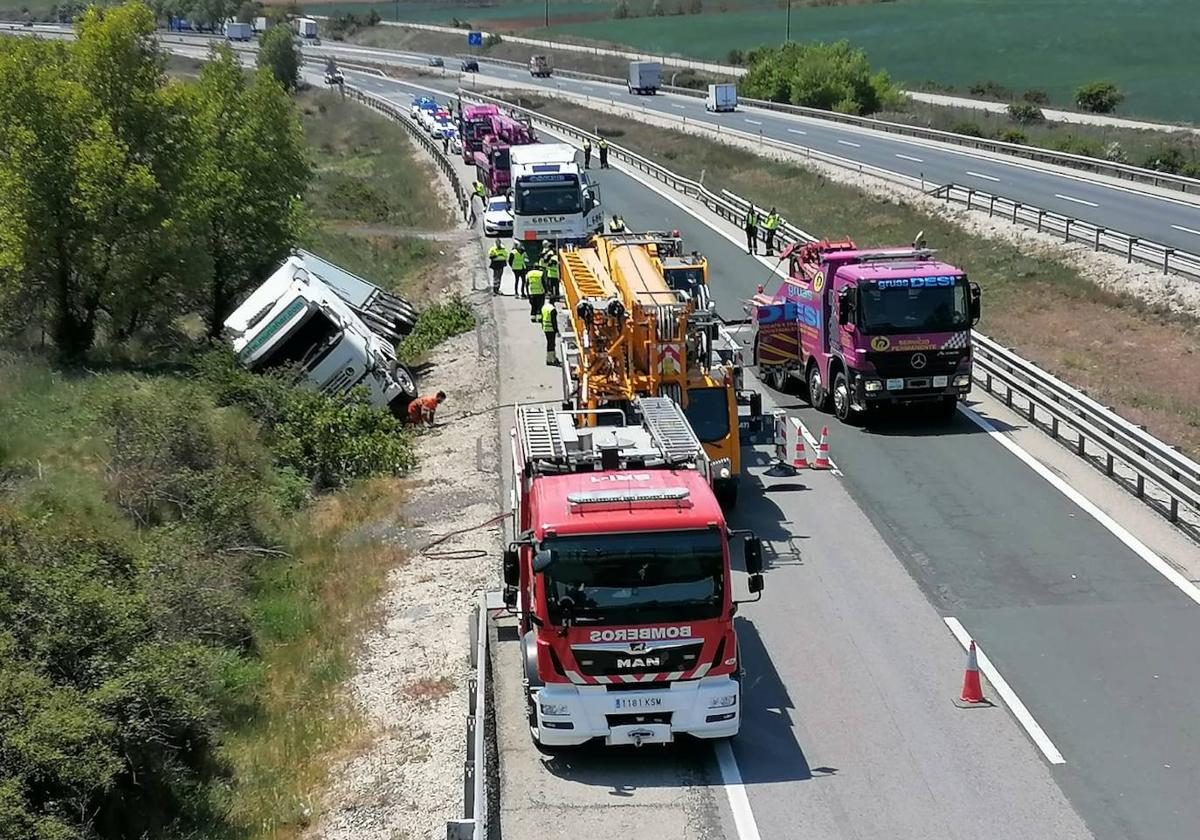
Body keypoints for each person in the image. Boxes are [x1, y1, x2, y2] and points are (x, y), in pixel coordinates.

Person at [541, 299, 559, 366]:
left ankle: (550, 358)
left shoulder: (544, 307)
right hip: (551, 329)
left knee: (550, 343)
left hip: (545, 327)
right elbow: (554, 321)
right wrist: (556, 330)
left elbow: (542, 318)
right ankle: (551, 359)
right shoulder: (552, 309)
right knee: (551, 344)